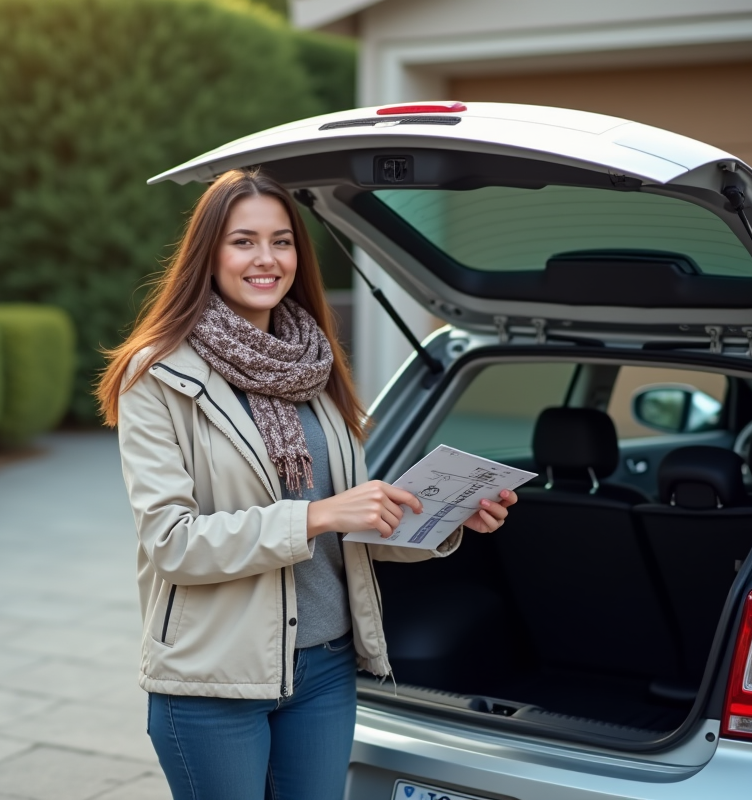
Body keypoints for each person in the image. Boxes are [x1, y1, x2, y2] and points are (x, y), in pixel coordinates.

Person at [96, 168, 516, 799]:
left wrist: (445, 516)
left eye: (282, 240)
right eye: (244, 241)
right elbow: (173, 544)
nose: (267, 259)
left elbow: (353, 526)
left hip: (325, 668)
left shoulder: (312, 361)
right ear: (207, 254)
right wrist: (319, 515)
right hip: (216, 679)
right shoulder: (158, 375)